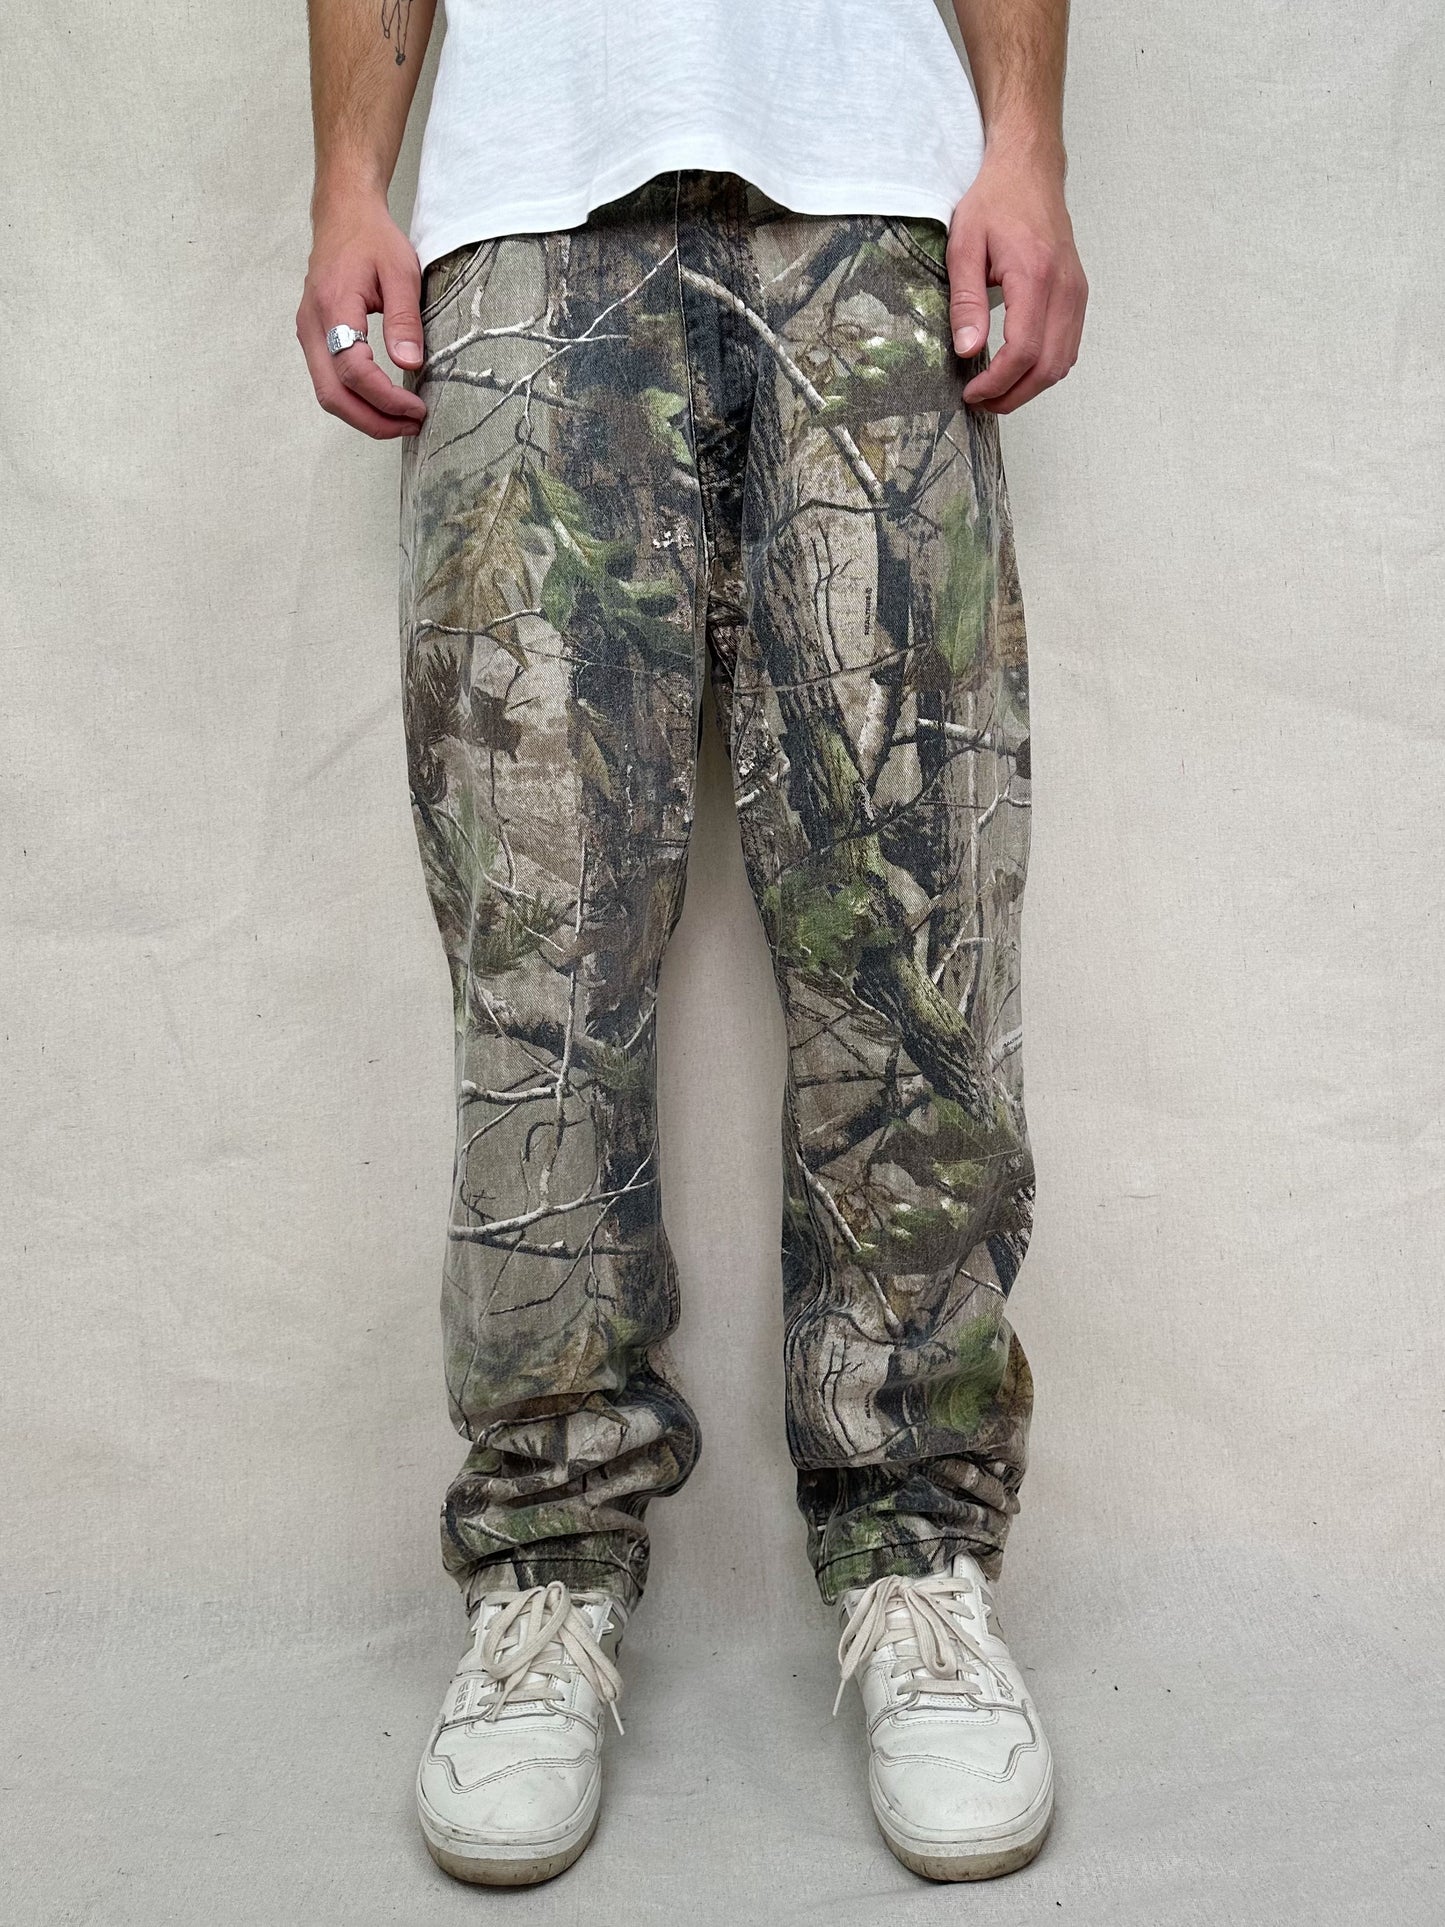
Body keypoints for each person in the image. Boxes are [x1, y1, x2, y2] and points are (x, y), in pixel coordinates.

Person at [298, 0, 1086, 1889]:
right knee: (538, 941)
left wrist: (1027, 140)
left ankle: (914, 1554)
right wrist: (345, 179)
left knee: (909, 929)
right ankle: (546, 1570)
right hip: (520, 217)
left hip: (881, 211)